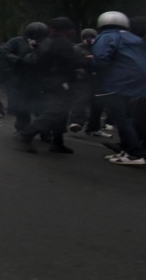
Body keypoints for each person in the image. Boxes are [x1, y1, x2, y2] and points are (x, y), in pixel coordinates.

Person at [16, 17, 87, 154]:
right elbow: (74, 61)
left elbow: (35, 60)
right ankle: (26, 134)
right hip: (59, 82)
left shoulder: (48, 42)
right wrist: (88, 60)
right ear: (65, 30)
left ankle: (57, 142)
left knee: (62, 113)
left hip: (50, 81)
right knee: (56, 112)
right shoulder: (62, 43)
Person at [91, 11, 146, 166]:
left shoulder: (107, 36)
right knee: (128, 118)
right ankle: (126, 150)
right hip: (137, 84)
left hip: (116, 82)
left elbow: (100, 58)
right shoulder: (134, 38)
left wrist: (94, 70)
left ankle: (134, 154)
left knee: (121, 119)